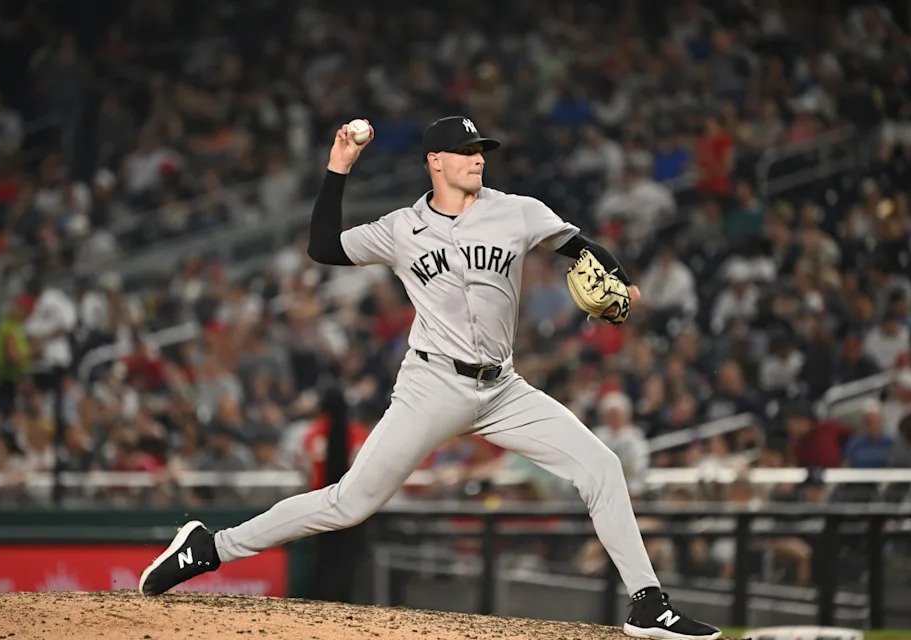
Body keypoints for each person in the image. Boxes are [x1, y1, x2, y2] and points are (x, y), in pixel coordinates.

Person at [138, 116, 721, 640]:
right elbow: (322, 247)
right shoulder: (400, 228)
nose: (479, 158)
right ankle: (210, 548)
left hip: (503, 389)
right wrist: (338, 167)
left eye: (482, 150)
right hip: (431, 386)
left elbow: (582, 248)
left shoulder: (518, 210)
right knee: (349, 504)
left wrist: (620, 287)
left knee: (601, 466)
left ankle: (648, 604)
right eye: (466, 150)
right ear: (434, 162)